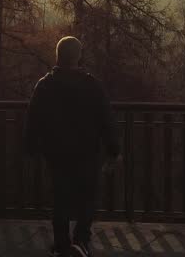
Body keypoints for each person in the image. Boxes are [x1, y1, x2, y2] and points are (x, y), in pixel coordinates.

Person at [24, 36, 121, 257]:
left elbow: (33, 121)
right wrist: (113, 150)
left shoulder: (45, 85)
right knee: (88, 198)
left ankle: (61, 245)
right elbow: (107, 119)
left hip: (56, 154)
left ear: (58, 56)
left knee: (60, 199)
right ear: (78, 56)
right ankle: (80, 242)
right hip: (87, 153)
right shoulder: (92, 85)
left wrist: (31, 151)